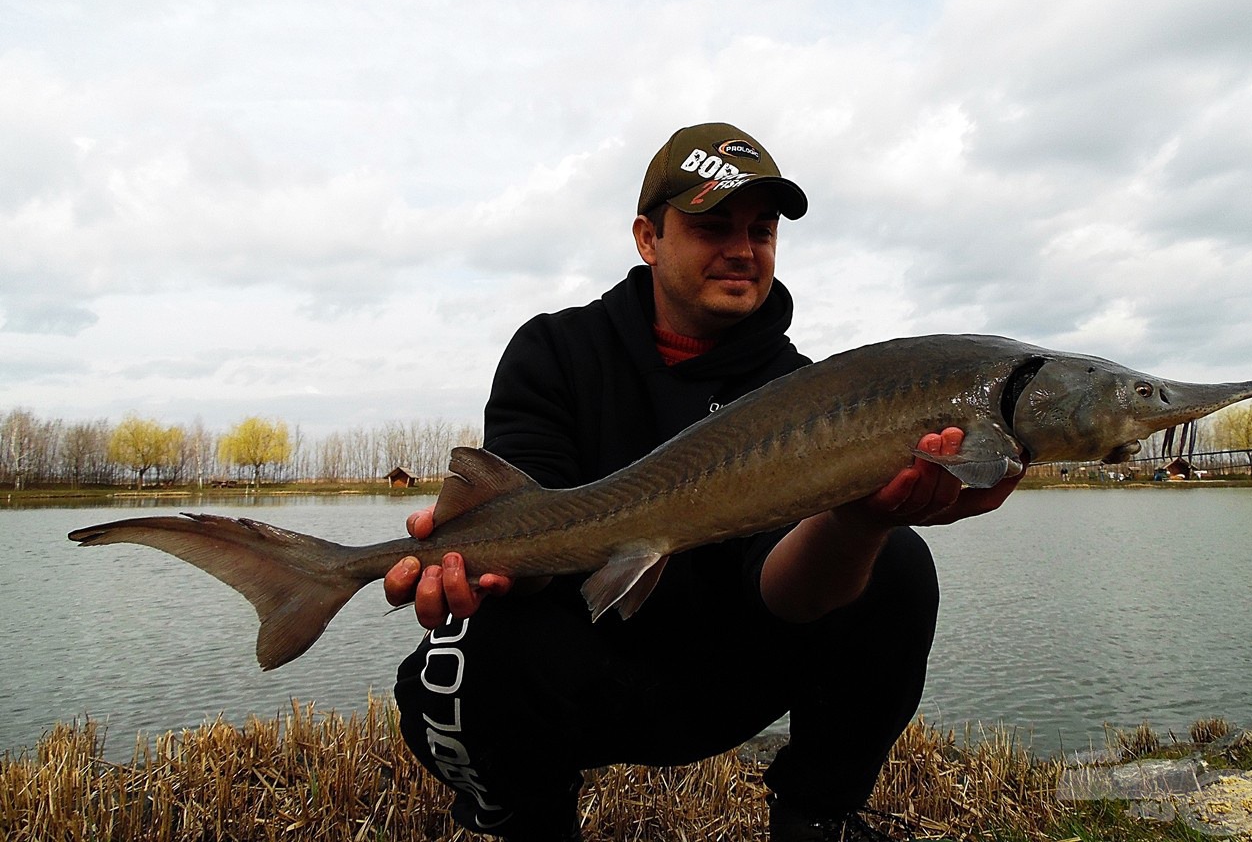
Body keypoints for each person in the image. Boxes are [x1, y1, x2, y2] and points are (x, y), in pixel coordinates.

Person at [384, 122, 1022, 841]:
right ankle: (531, 822)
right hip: (583, 668)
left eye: (762, 230)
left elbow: (789, 593)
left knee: (898, 565)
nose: (743, 250)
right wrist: (487, 564)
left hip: (726, 680)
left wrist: (859, 521)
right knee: (458, 658)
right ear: (647, 238)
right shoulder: (556, 352)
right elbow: (529, 533)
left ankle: (816, 817)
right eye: (713, 226)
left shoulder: (806, 396)